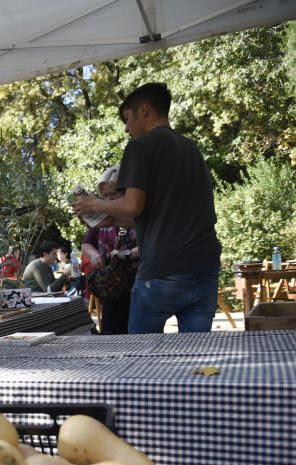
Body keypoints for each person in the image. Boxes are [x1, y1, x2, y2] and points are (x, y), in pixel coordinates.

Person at [73, 82, 221, 333]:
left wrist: (93, 203)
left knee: (140, 358)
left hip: (162, 270)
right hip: (204, 265)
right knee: (197, 355)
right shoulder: (190, 148)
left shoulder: (140, 147)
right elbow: (159, 213)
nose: (126, 128)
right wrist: (107, 220)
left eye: (127, 118)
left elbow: (132, 205)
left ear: (143, 110)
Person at [81, 166, 140, 334]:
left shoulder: (137, 214)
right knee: (111, 333)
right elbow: (86, 243)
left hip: (138, 284)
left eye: (112, 194)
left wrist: (126, 255)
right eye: (104, 196)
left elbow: (151, 245)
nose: (107, 200)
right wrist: (94, 255)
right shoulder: (102, 217)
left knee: (139, 335)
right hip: (111, 287)